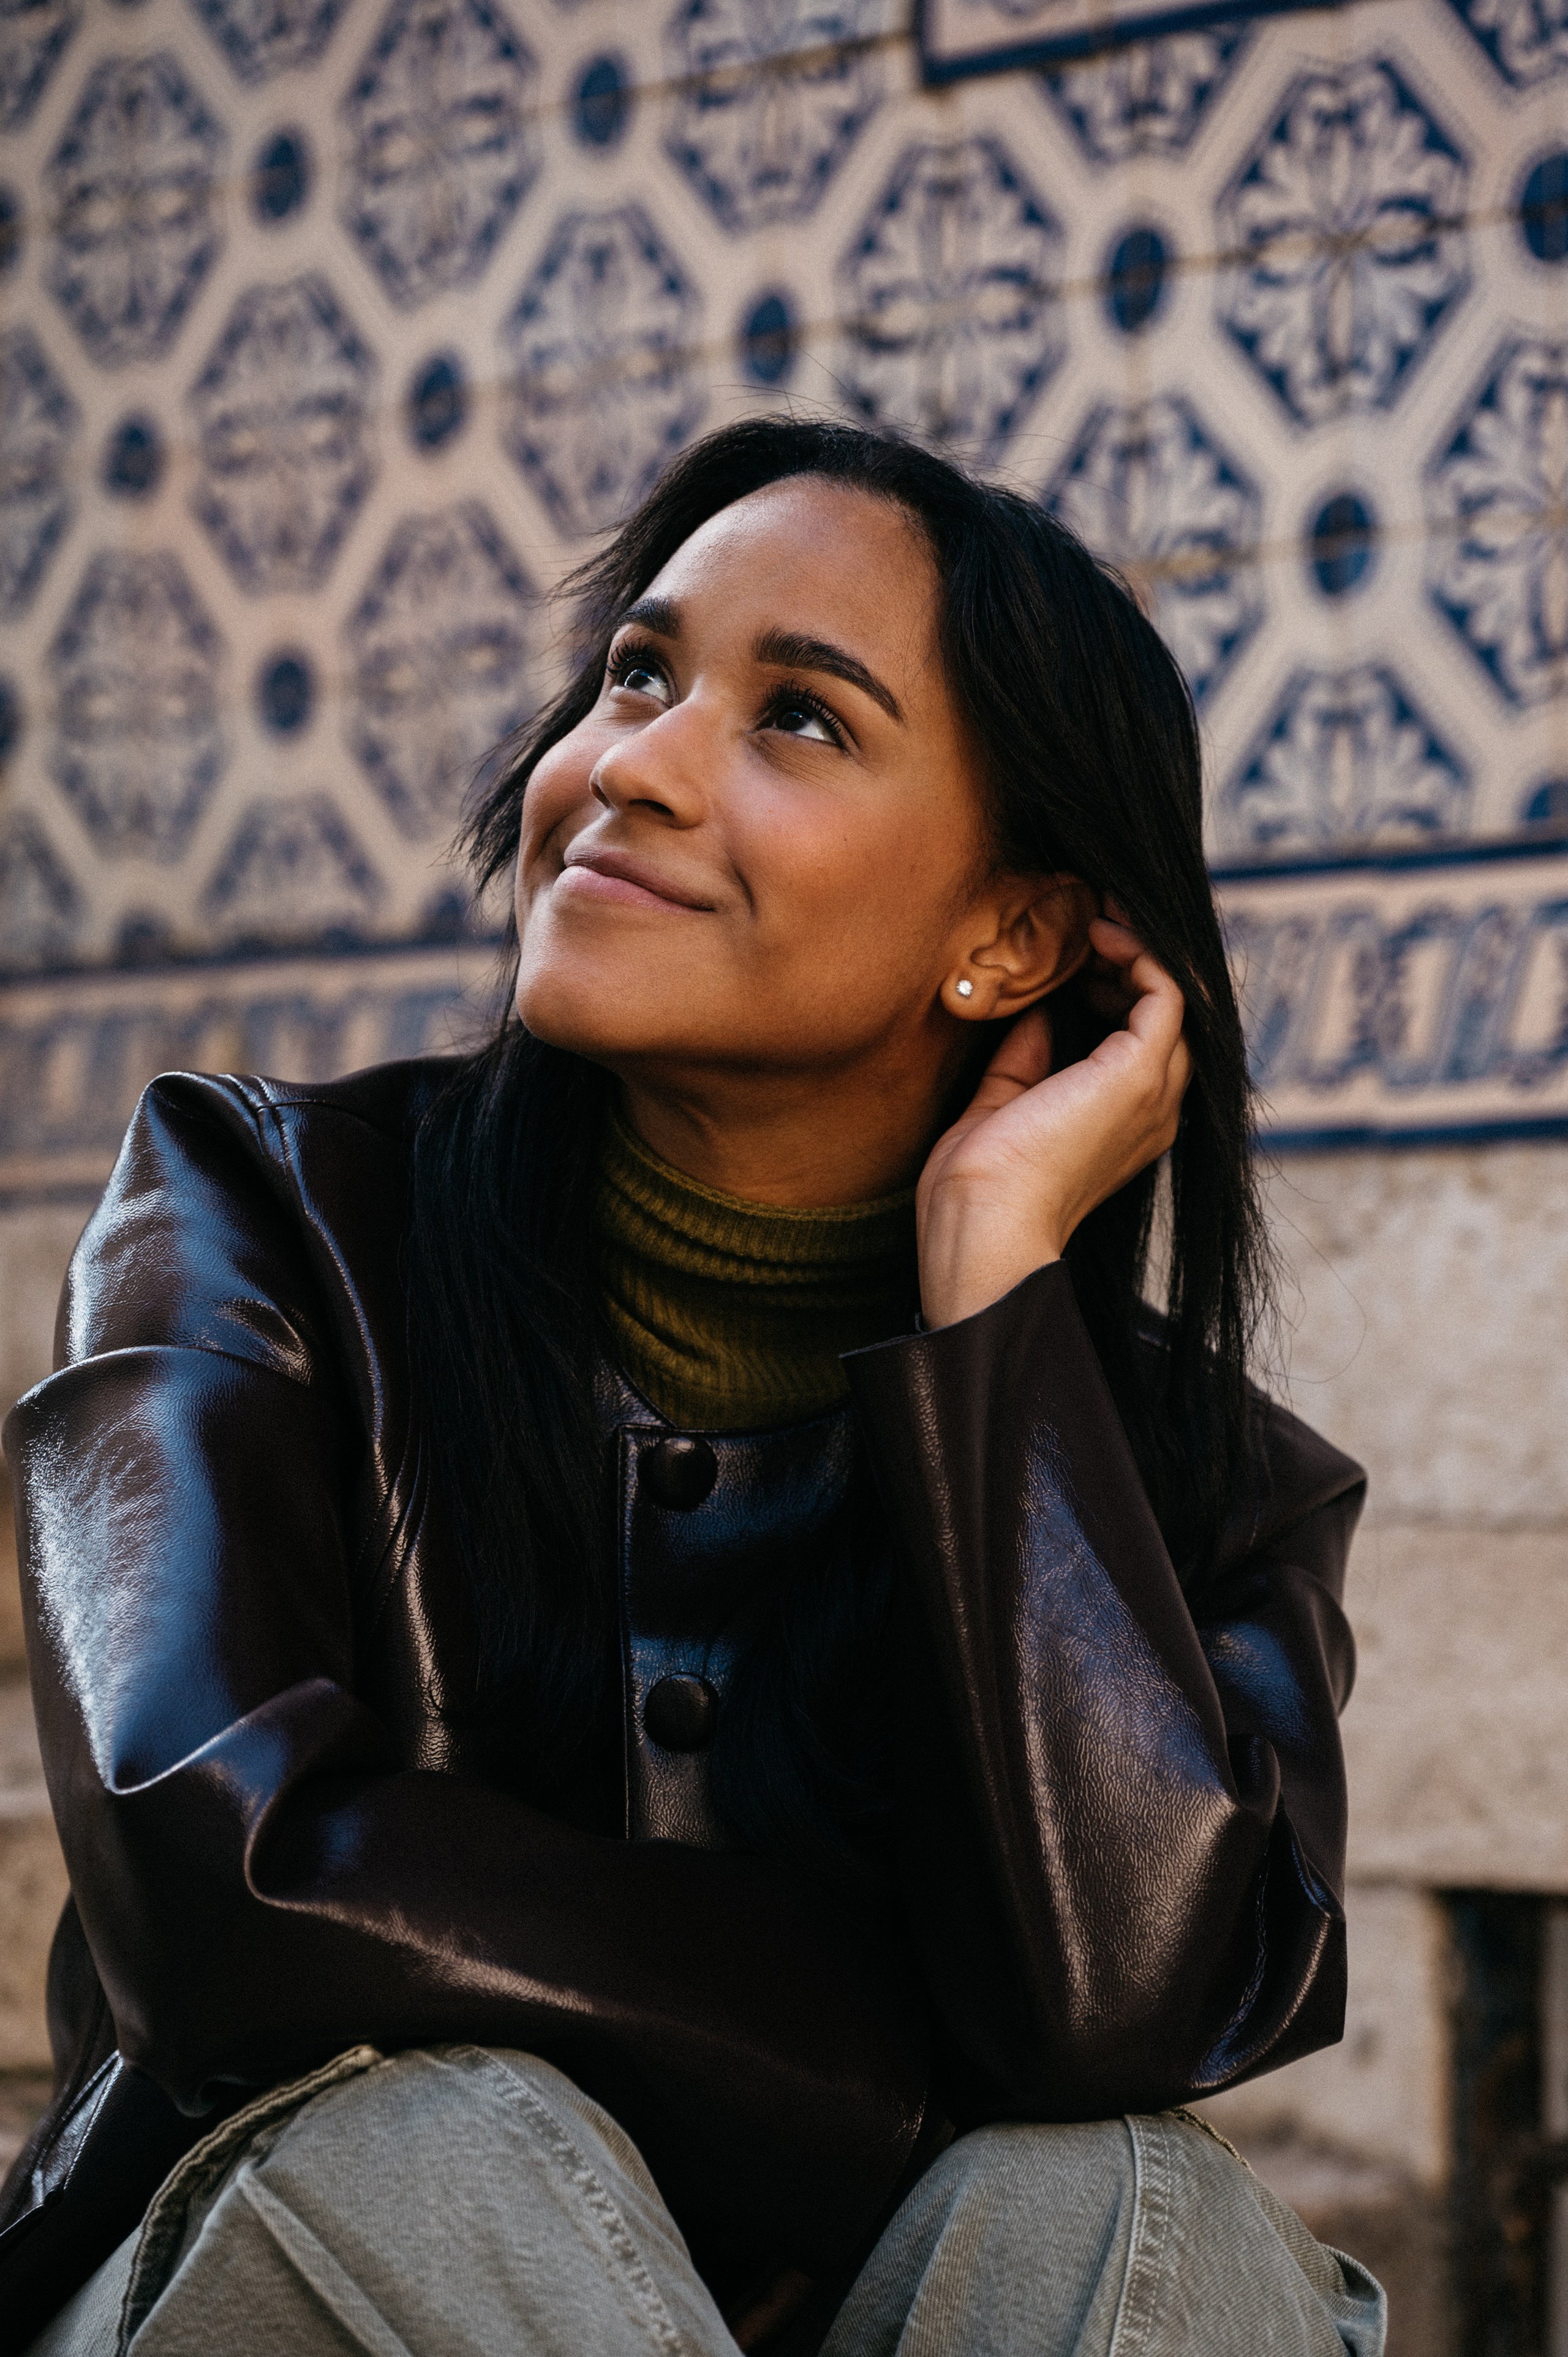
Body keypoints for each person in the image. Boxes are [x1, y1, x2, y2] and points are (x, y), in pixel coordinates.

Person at [1, 420, 1382, 2357]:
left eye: (801, 719)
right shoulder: (261, 1220)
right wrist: (890, 2086)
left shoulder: (1208, 1490)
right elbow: (230, 1880)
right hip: (276, 2282)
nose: (622, 765)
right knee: (434, 2163)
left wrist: (992, 1306)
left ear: (1008, 940)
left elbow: (1128, 2007)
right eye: (637, 673)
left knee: (1116, 2197)